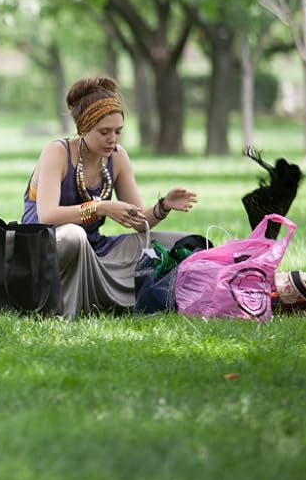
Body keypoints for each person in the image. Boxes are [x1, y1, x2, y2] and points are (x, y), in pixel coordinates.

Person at [21, 76, 199, 318]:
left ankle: (148, 298)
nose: (113, 139)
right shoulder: (57, 153)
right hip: (47, 248)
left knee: (180, 244)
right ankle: (64, 305)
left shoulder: (117, 157)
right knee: (74, 237)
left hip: (97, 251)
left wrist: (163, 206)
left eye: (118, 131)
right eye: (104, 132)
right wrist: (100, 208)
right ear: (83, 128)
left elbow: (140, 223)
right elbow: (47, 215)